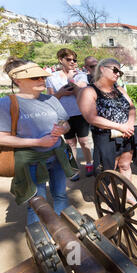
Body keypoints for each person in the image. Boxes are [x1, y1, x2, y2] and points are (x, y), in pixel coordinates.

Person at [0, 58, 76, 225]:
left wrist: (63, 129)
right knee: (36, 203)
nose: (42, 80)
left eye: (42, 77)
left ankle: (64, 233)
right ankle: (41, 242)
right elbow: (2, 137)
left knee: (61, 195)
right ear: (17, 80)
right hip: (30, 163)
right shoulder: (6, 104)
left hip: (57, 157)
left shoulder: (51, 99)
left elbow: (66, 123)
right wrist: (38, 142)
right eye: (35, 78)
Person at [78, 58, 137, 205]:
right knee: (108, 171)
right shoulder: (89, 91)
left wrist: (129, 124)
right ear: (102, 69)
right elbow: (91, 117)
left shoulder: (119, 89)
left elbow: (131, 107)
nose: (118, 74)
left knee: (125, 166)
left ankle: (128, 194)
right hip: (105, 137)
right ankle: (114, 201)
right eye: (115, 70)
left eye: (120, 72)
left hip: (126, 134)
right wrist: (119, 126)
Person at [46, 48, 93, 182]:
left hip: (80, 113)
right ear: (61, 60)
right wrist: (60, 93)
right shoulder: (51, 78)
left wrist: (71, 78)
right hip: (63, 115)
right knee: (70, 143)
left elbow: (82, 90)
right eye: (69, 59)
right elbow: (50, 98)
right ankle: (74, 168)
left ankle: (89, 164)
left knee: (84, 141)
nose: (72, 62)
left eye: (74, 60)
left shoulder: (80, 75)